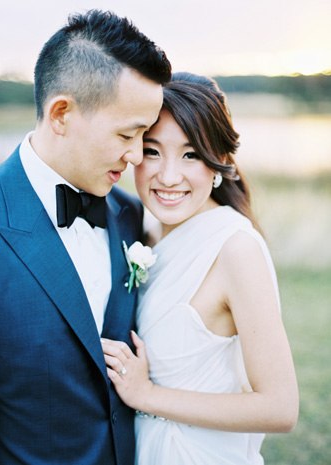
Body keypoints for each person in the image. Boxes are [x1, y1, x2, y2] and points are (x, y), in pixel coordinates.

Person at [0, 10, 171, 465]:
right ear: (62, 114)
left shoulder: (133, 216)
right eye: (128, 133)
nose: (135, 155)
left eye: (145, 134)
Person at [101, 73, 299, 464]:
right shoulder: (143, 228)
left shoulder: (235, 250)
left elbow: (280, 408)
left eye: (190, 155)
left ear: (220, 162)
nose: (169, 176)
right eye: (153, 152)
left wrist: (147, 396)